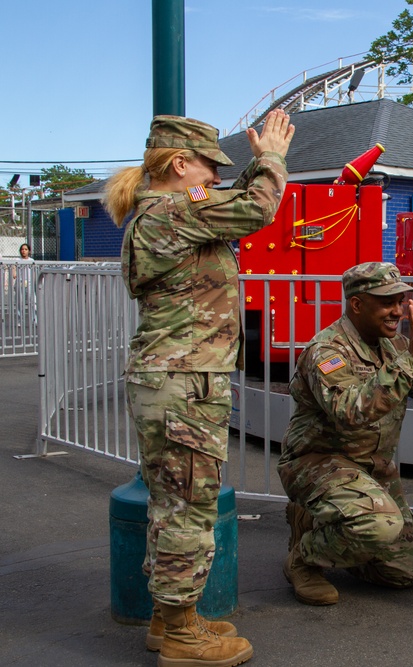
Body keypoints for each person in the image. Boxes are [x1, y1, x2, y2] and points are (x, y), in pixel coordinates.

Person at [103, 109, 295, 667]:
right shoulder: (170, 212)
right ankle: (184, 636)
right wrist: (271, 160)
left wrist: (255, 167)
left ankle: (170, 620)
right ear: (179, 164)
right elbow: (256, 206)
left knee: (173, 503)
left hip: (177, 379)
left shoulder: (167, 214)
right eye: (210, 167)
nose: (214, 177)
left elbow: (227, 207)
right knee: (188, 506)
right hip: (183, 382)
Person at [277, 261, 413, 606]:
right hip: (319, 464)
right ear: (357, 304)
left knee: (404, 572)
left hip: (372, 470)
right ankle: (303, 559)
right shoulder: (327, 352)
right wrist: (407, 362)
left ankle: (331, 527)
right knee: (379, 526)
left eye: (401, 301)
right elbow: (350, 411)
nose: (398, 311)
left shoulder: (395, 345)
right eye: (388, 302)